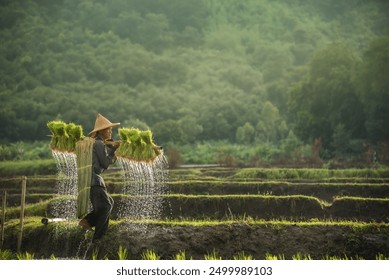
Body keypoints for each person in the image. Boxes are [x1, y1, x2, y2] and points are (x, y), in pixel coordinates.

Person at [79, 113, 120, 243]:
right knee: (106, 206)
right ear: (101, 131)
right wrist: (113, 150)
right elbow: (105, 163)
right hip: (94, 181)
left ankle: (88, 221)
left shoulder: (97, 143)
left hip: (90, 180)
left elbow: (102, 160)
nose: (110, 131)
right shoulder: (98, 144)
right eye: (108, 129)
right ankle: (98, 239)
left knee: (109, 203)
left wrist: (110, 148)